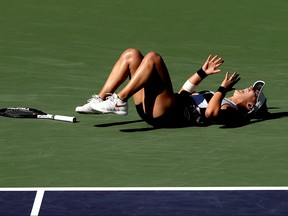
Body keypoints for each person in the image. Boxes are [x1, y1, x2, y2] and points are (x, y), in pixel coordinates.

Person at [75, 48, 268, 128]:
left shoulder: (233, 111)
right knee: (132, 54)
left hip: (167, 113)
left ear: (251, 106)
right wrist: (202, 72)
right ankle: (100, 100)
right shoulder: (218, 97)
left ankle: (119, 101)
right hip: (163, 105)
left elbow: (211, 113)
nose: (250, 87)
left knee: (153, 58)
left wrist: (223, 89)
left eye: (255, 91)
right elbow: (185, 92)